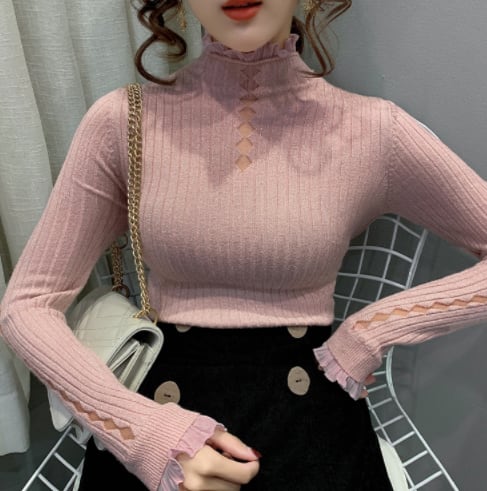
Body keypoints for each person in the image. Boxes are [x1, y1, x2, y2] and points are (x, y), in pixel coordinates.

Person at [1, 0, 486, 489]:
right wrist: (140, 432)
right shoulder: (124, 121)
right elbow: (28, 304)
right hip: (158, 431)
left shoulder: (373, 131)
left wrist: (372, 331)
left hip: (312, 425)